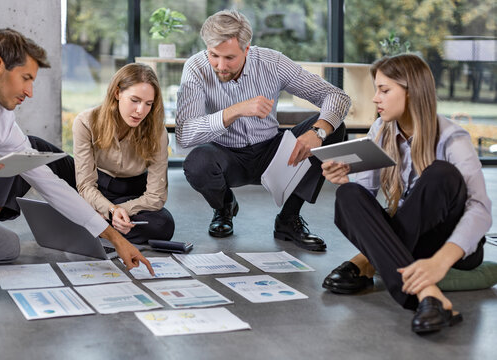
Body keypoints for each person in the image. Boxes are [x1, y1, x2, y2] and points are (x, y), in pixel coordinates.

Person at [0, 28, 153, 274]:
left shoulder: (2, 121)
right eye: (25, 78)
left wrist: (115, 239)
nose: (30, 92)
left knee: (8, 247)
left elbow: (49, 183)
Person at [320, 54, 491, 333]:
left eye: (384, 90)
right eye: (376, 89)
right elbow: (364, 199)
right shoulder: (380, 130)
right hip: (411, 236)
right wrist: (343, 180)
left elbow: (480, 209)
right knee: (349, 194)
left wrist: (440, 261)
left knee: (441, 174)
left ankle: (366, 262)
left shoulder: (452, 137)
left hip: (450, 243)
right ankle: (427, 295)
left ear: (412, 92)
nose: (376, 98)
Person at [176, 9, 351, 251]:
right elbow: (184, 134)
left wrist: (318, 131)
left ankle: (288, 219)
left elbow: (336, 95)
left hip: (273, 152)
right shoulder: (196, 68)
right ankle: (224, 207)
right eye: (214, 55)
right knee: (197, 162)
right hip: (226, 156)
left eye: (229, 58)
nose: (220, 65)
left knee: (335, 128)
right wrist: (234, 110)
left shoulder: (272, 62)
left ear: (247, 49)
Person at [0, 63, 175, 245]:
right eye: (135, 100)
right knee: (31, 146)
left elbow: (155, 196)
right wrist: (110, 210)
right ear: (117, 93)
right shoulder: (87, 121)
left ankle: (83, 220)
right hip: (90, 185)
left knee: (162, 225)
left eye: (148, 104)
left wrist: (119, 211)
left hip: (130, 195)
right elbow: (85, 185)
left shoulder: (157, 133)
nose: (141, 110)